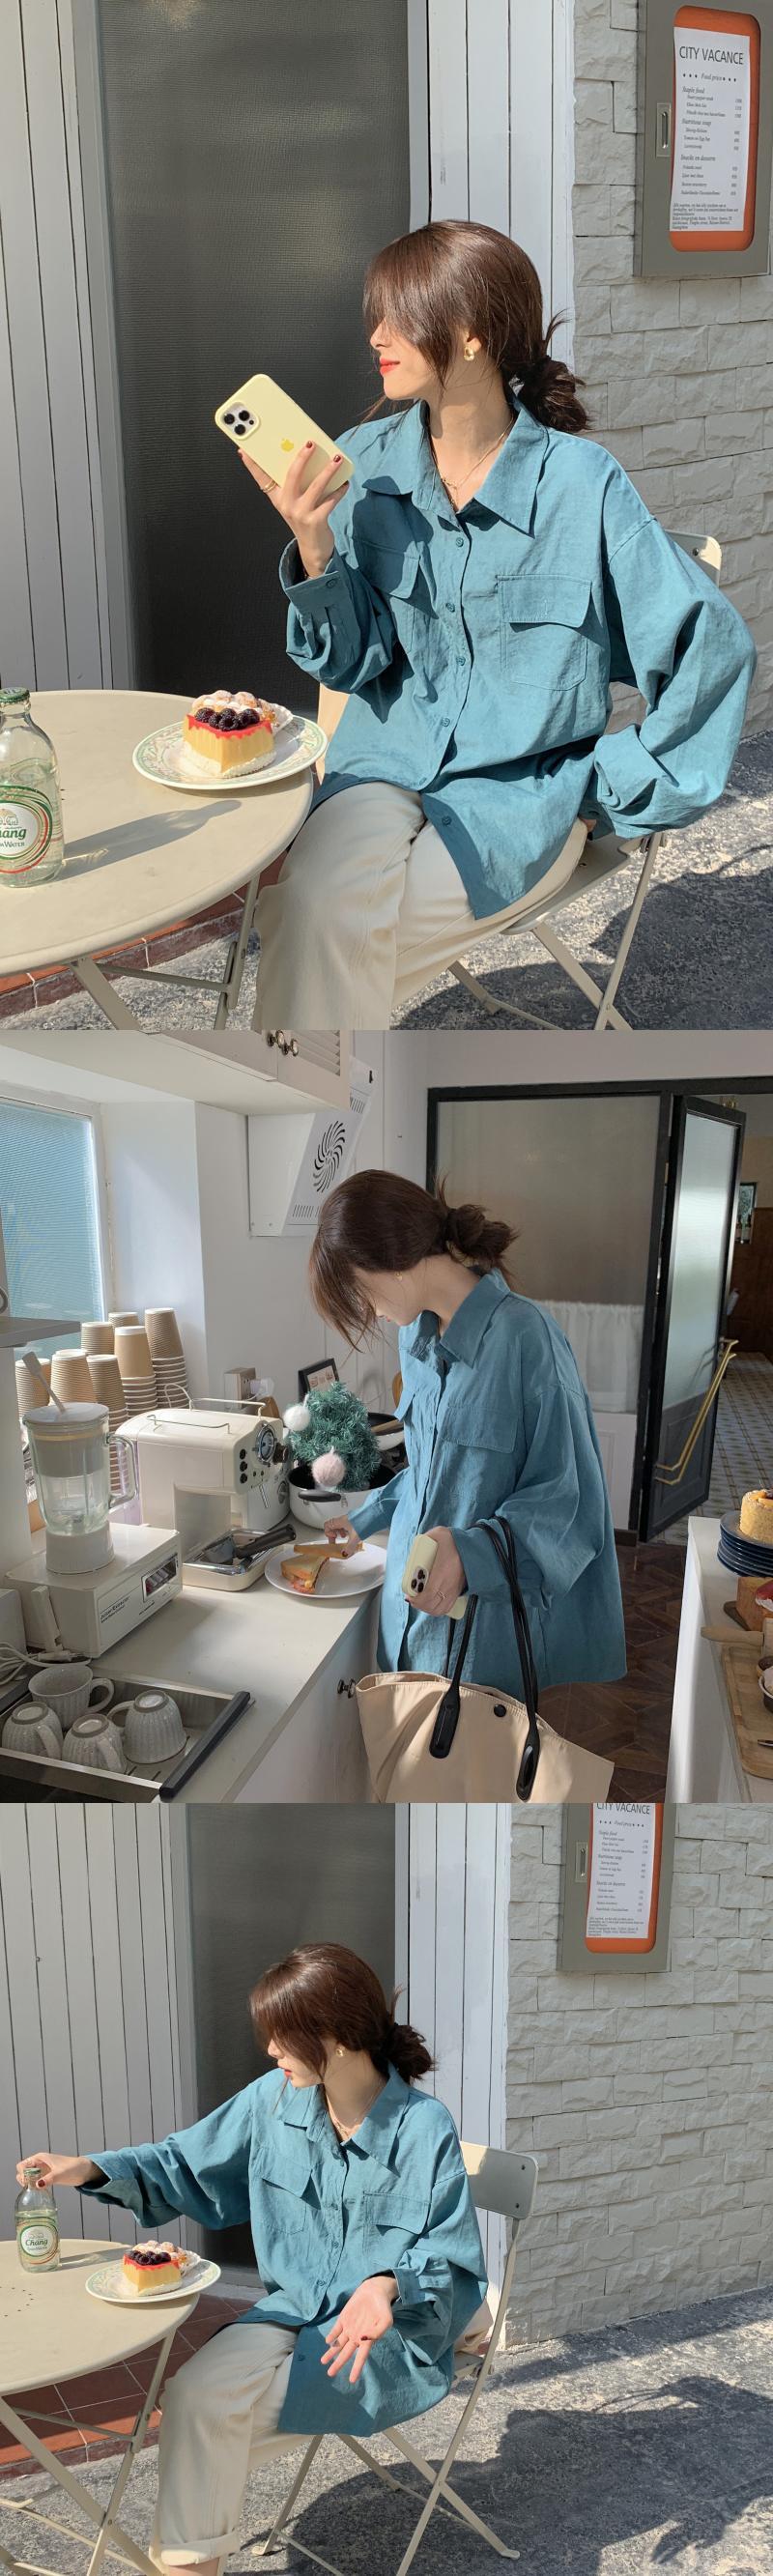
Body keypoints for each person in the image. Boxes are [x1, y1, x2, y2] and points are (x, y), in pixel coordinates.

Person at [240, 217, 756, 1026]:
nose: (376, 336)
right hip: (381, 765)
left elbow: (710, 653)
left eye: (400, 315)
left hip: (522, 796)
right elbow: (349, 663)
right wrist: (313, 545)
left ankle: (303, 1092)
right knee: (314, 914)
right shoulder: (362, 465)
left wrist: (607, 787)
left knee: (311, 928)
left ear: (473, 334)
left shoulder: (582, 486)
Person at [17, 1944, 488, 2574]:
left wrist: (385, 2285)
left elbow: (452, 2254)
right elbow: (186, 2161)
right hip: (291, 2309)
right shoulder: (272, 2101)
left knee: (207, 2426)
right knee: (191, 2397)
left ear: (337, 2037)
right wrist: (89, 2169)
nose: (270, 2051)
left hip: (386, 2333)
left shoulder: (424, 2128)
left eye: (282, 2037)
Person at [310, 1169, 627, 1697]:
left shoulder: (527, 1339)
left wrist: (470, 1552)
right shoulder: (415, 1337)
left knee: (470, 1753)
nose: (367, 1310)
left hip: (480, 1643)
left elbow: (569, 1506)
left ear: (393, 1263)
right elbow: (433, 1473)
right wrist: (365, 1520)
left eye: (359, 1291)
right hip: (404, 1623)